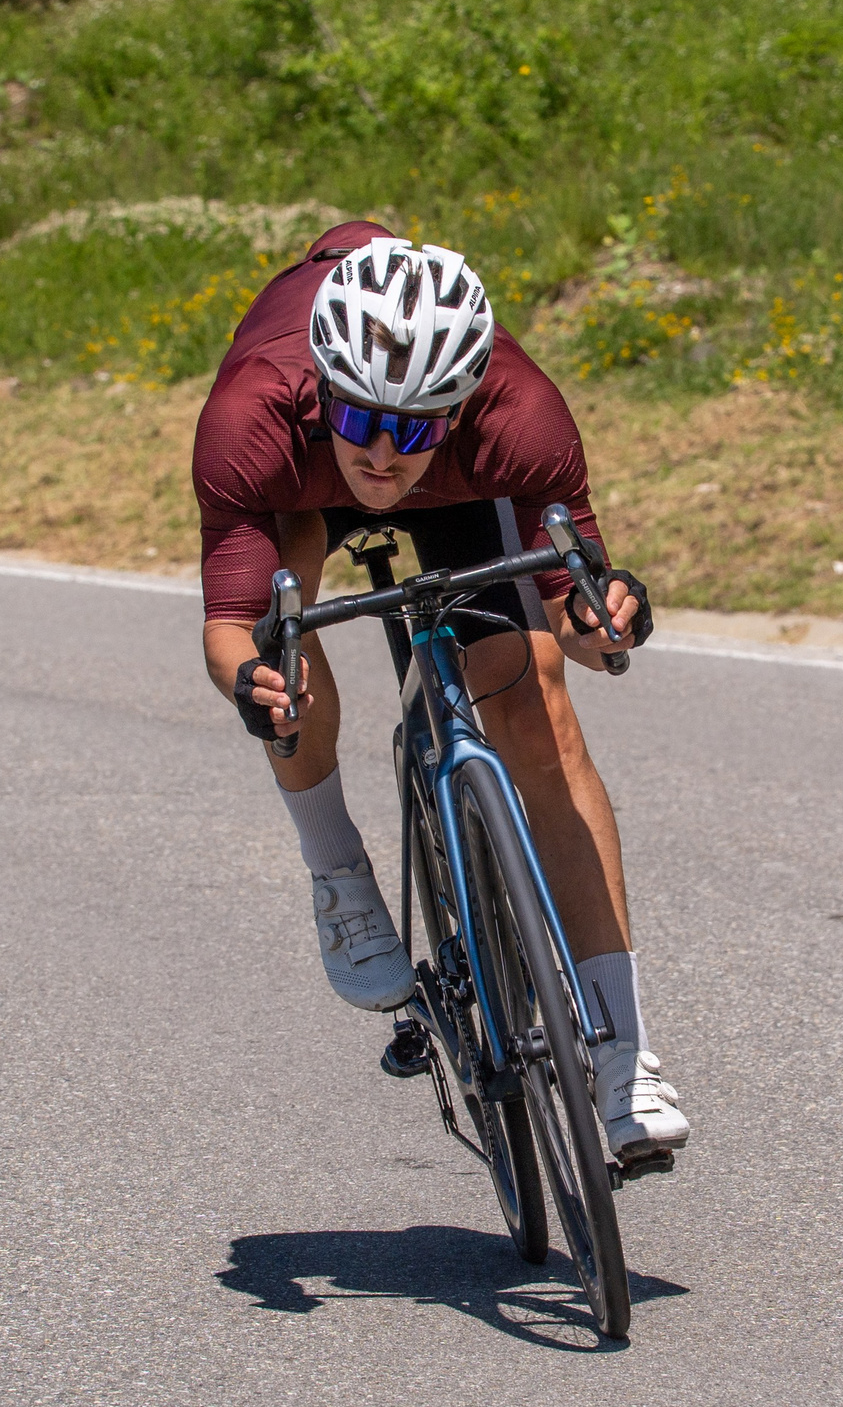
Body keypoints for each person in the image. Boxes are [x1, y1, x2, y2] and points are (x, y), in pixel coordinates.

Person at [193, 220, 690, 1162]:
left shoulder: (518, 415)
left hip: (465, 491)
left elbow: (575, 607)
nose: (383, 457)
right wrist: (253, 684)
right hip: (302, 490)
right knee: (283, 639)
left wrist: (608, 614)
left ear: (461, 403)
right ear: (325, 390)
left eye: (412, 429)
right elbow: (227, 628)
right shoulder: (254, 417)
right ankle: (338, 873)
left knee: (534, 687)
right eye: (363, 422)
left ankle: (627, 1057)